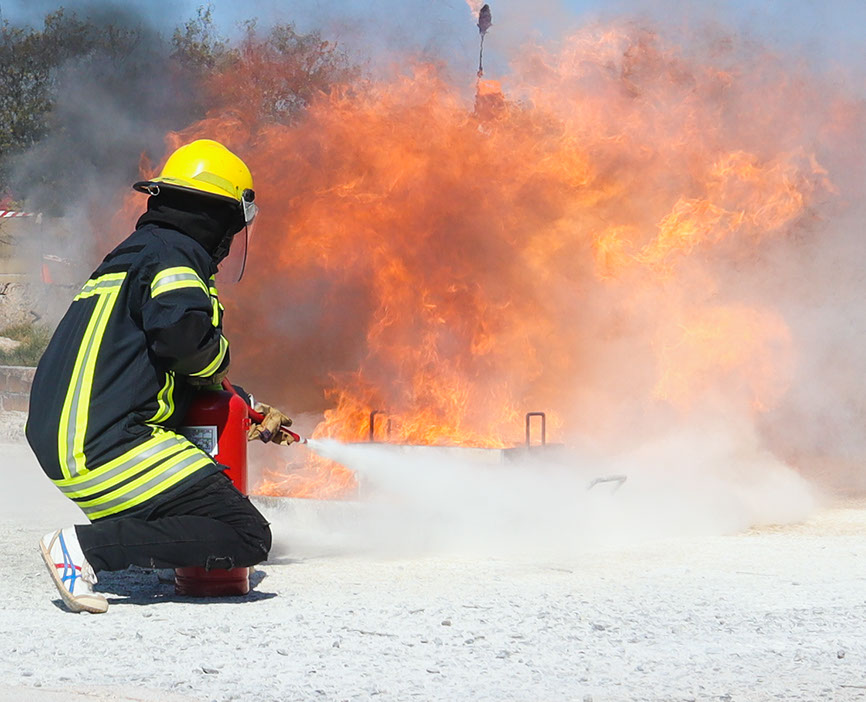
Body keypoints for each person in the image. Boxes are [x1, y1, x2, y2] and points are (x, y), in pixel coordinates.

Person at [26, 139, 293, 613]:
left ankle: (107, 541)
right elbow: (183, 341)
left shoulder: (139, 253)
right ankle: (86, 550)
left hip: (71, 437)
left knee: (210, 518)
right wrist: (222, 357)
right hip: (106, 443)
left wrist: (243, 402)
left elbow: (154, 361)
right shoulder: (176, 256)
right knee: (247, 534)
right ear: (221, 217)